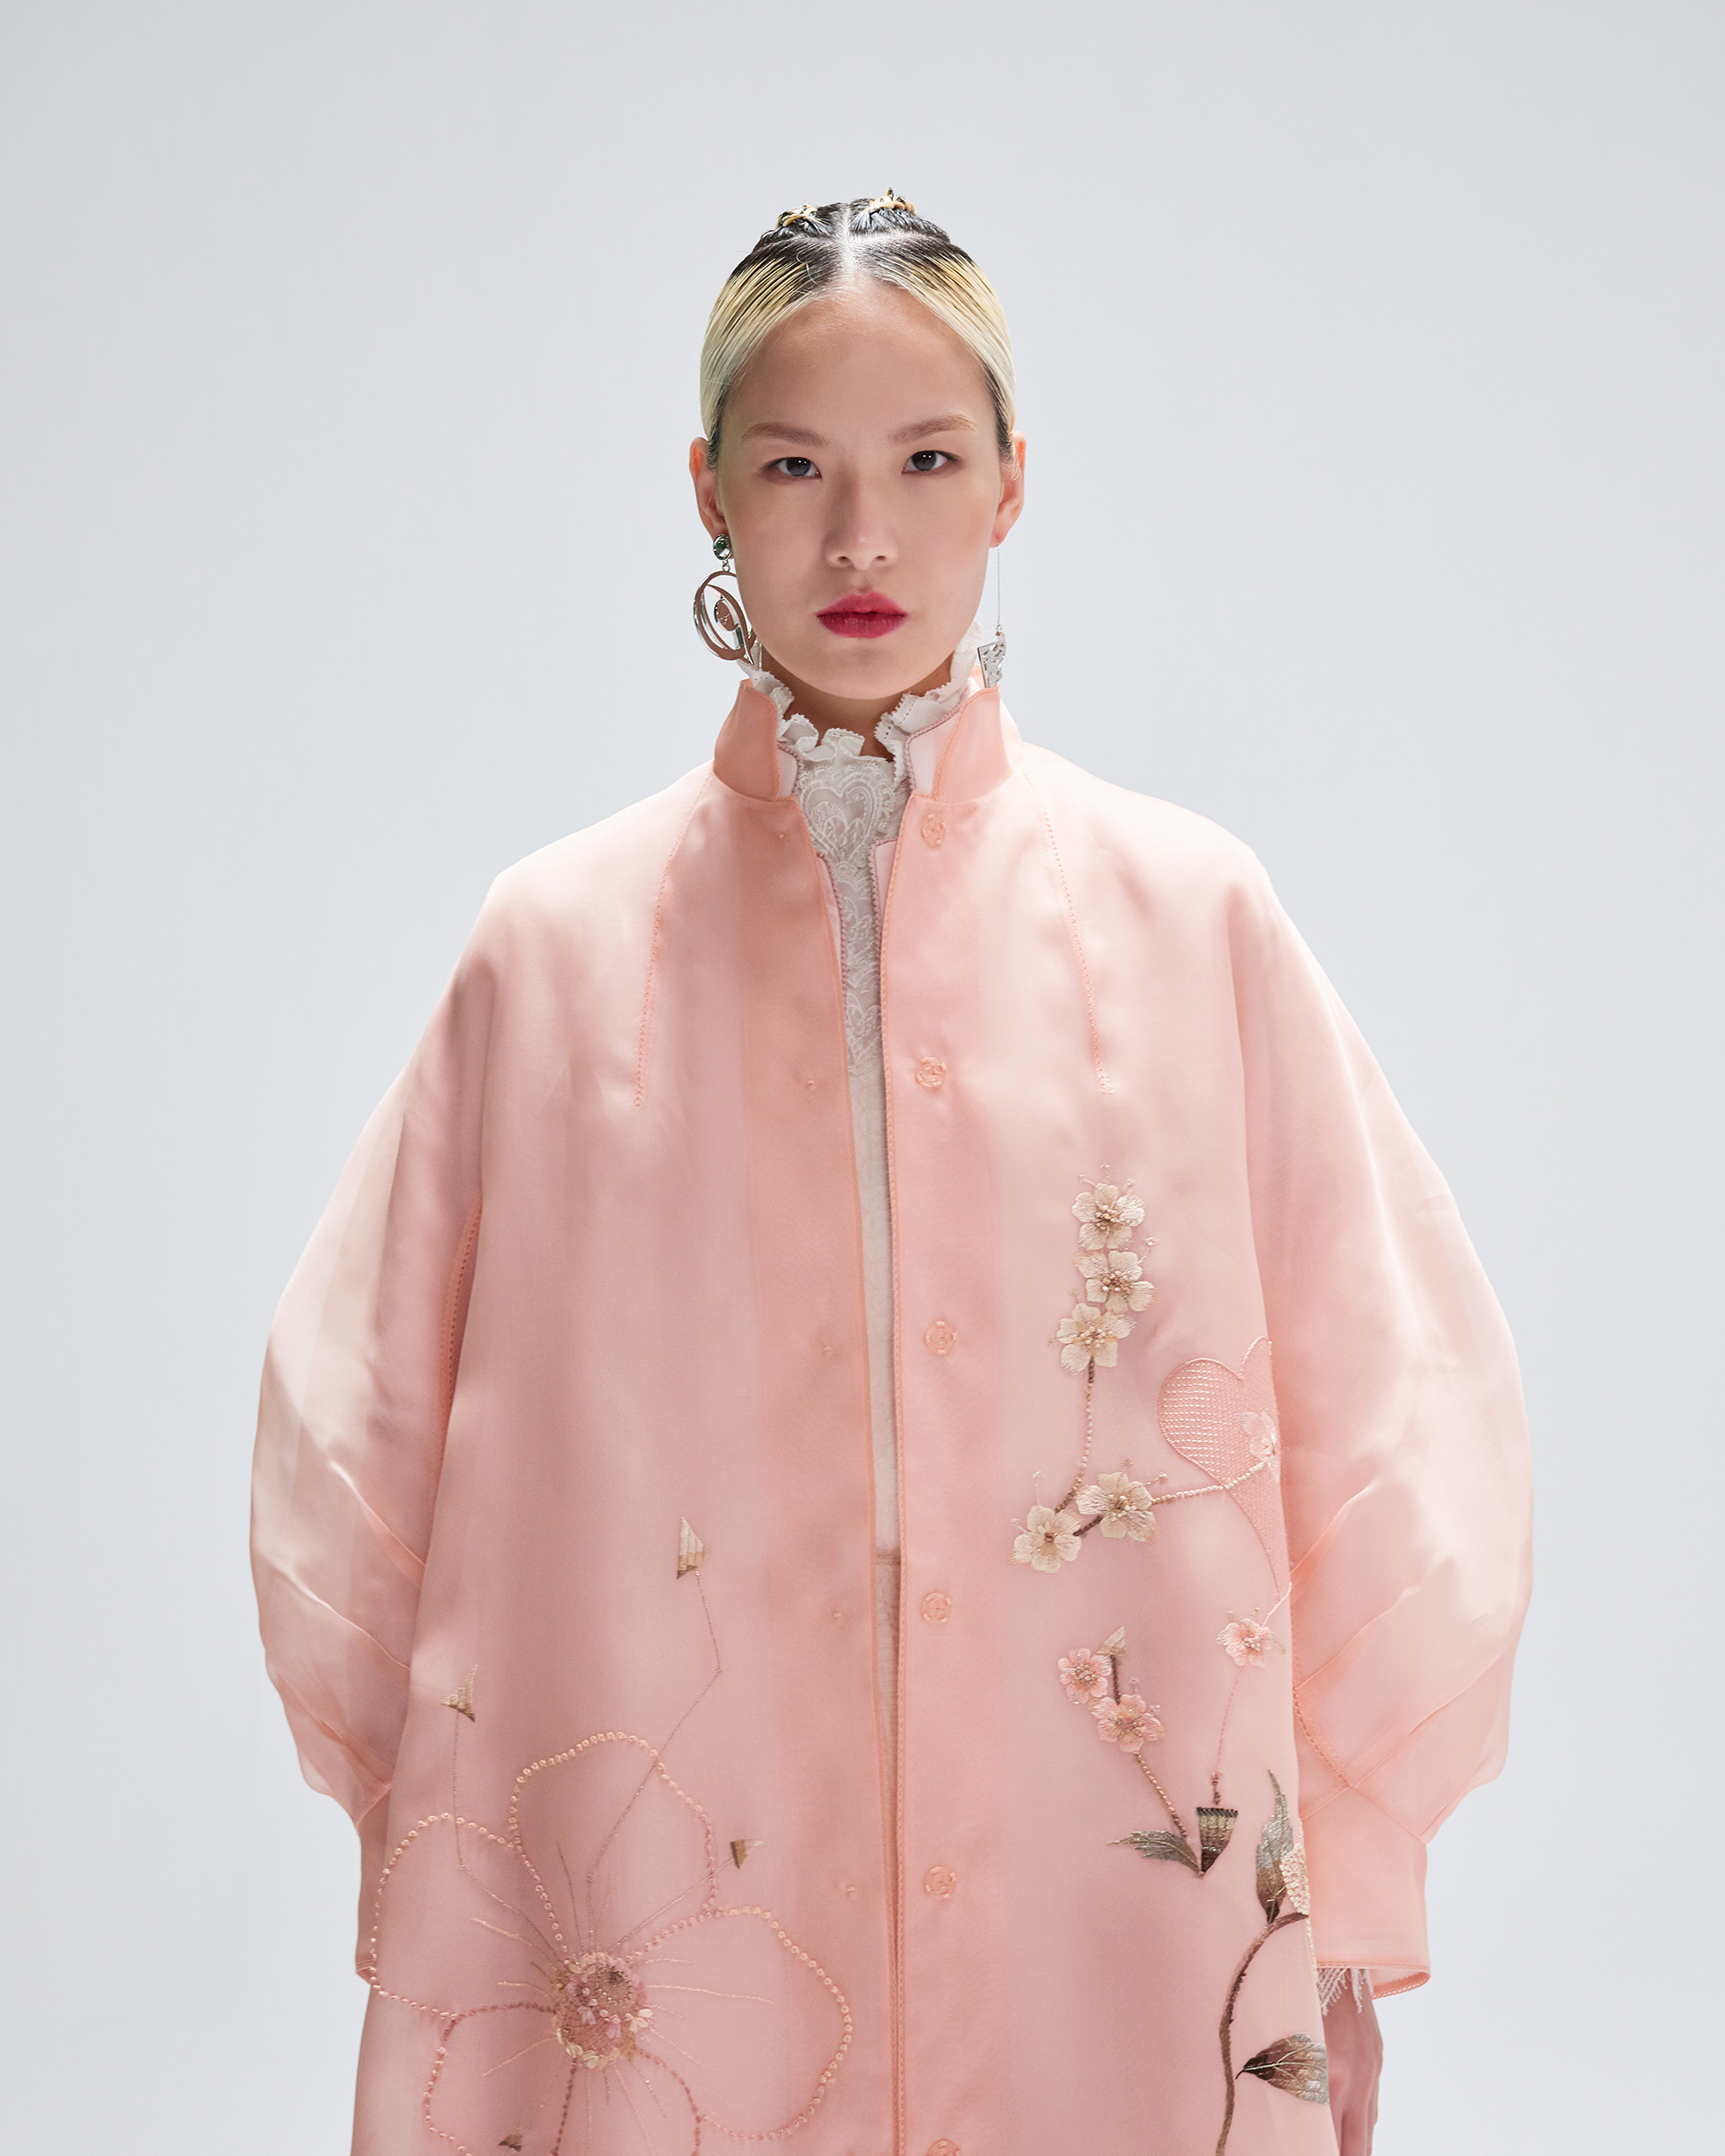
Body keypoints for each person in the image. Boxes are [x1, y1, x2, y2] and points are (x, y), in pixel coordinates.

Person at [252, 194, 1532, 2156]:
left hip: (1102, 1879)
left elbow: (1390, 1409)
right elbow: (356, 1452)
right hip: (673, 1884)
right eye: (795, 468)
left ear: (1014, 482)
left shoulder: (1189, 918)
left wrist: (1347, 1873)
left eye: (927, 462)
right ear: (706, 490)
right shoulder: (555, 950)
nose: (862, 538)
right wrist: (451, 1841)